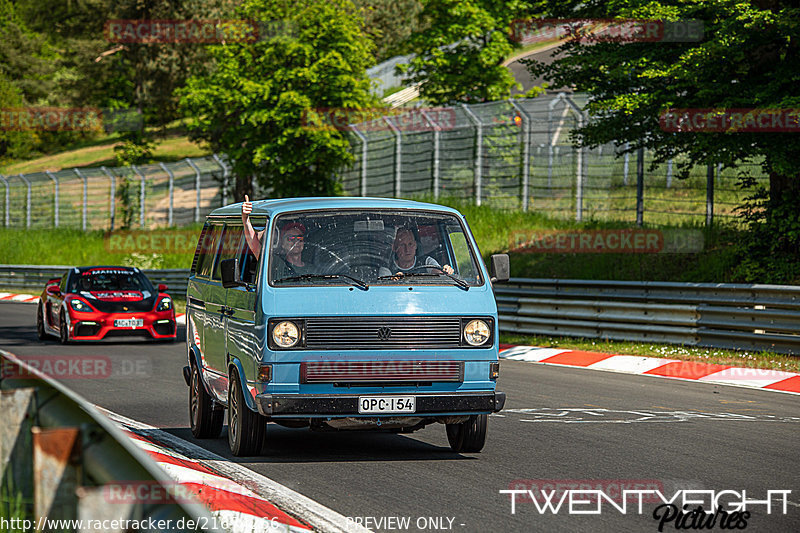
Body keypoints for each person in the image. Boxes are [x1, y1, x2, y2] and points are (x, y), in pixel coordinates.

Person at [378, 227, 454, 278]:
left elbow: (439, 274)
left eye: (410, 244)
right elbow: (384, 290)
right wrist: (393, 281)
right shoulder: (386, 268)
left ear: (416, 245)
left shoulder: (427, 261)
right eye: (402, 245)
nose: (407, 249)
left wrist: (446, 271)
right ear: (394, 248)